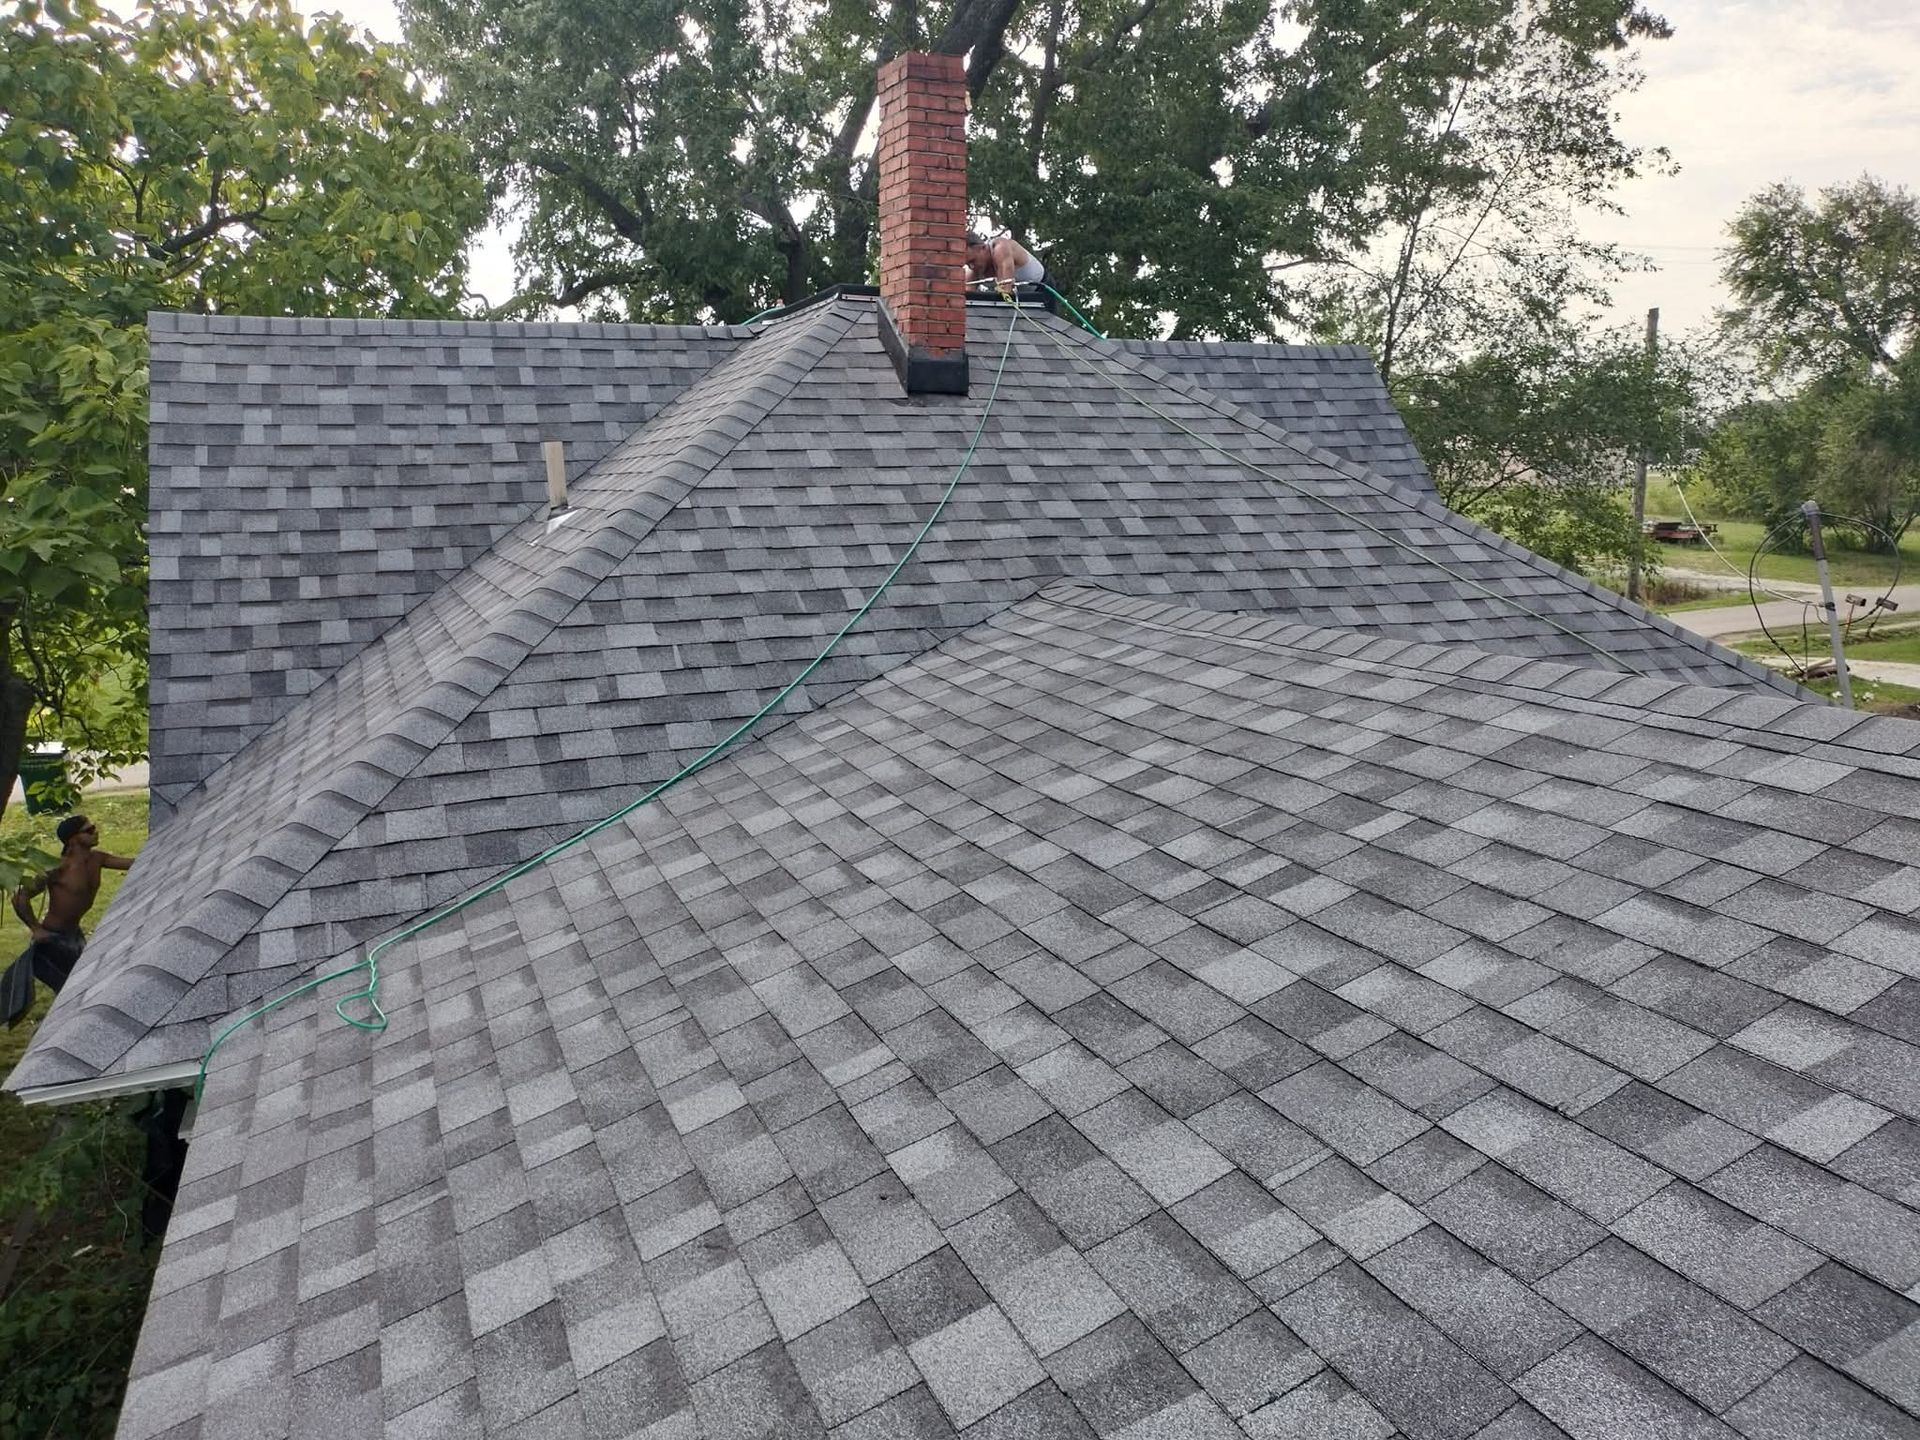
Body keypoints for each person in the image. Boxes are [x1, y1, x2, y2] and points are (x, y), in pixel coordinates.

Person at [4, 813, 133, 1022]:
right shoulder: (58, 867)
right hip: (52, 941)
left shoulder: (97, 859)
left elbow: (133, 863)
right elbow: (20, 897)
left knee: (88, 985)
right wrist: (36, 929)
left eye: (94, 827)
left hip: (74, 935)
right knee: (71, 995)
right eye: (89, 830)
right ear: (73, 839)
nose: (96, 831)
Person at [965, 230, 1053, 297]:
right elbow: (966, 300)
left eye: (973, 261)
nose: (971, 267)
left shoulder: (1000, 248)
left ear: (983, 248)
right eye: (967, 263)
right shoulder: (972, 271)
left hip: (1042, 288)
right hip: (1020, 296)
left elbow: (1006, 289)